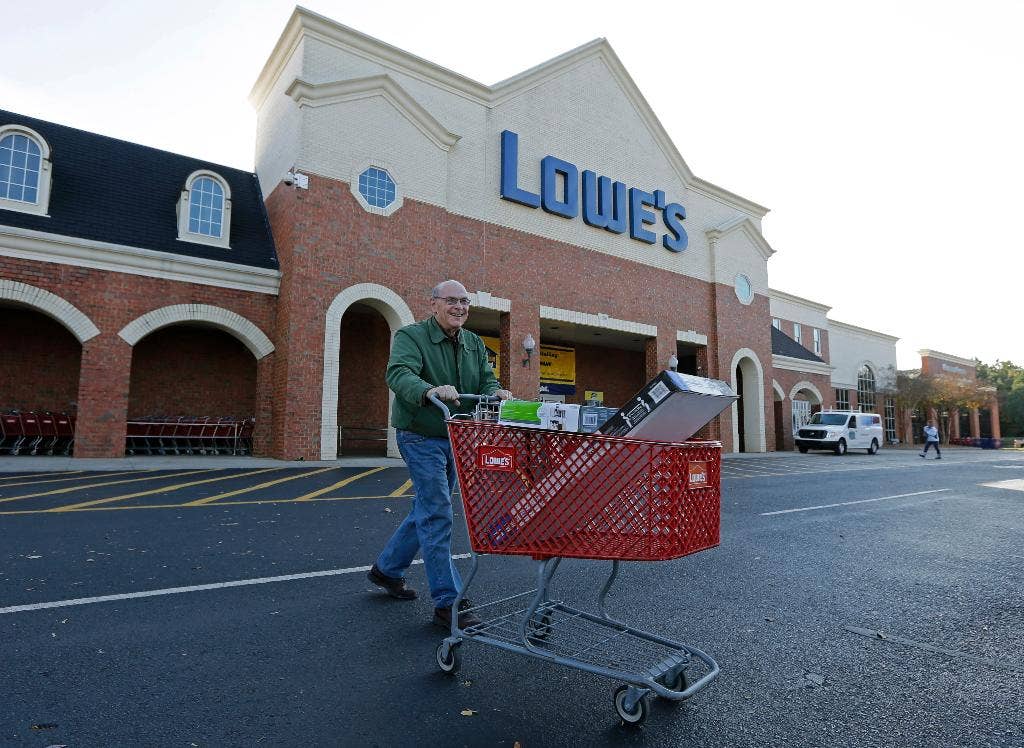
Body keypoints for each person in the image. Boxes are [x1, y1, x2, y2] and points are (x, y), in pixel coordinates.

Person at [367, 280, 513, 629]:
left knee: (428, 508)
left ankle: (386, 570)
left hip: (455, 436)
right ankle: (449, 603)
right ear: (433, 304)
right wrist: (430, 390)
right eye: (451, 301)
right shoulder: (411, 337)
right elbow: (398, 374)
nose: (459, 307)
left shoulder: (473, 343)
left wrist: (498, 393)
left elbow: (486, 381)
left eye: (464, 302)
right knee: (438, 512)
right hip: (420, 435)